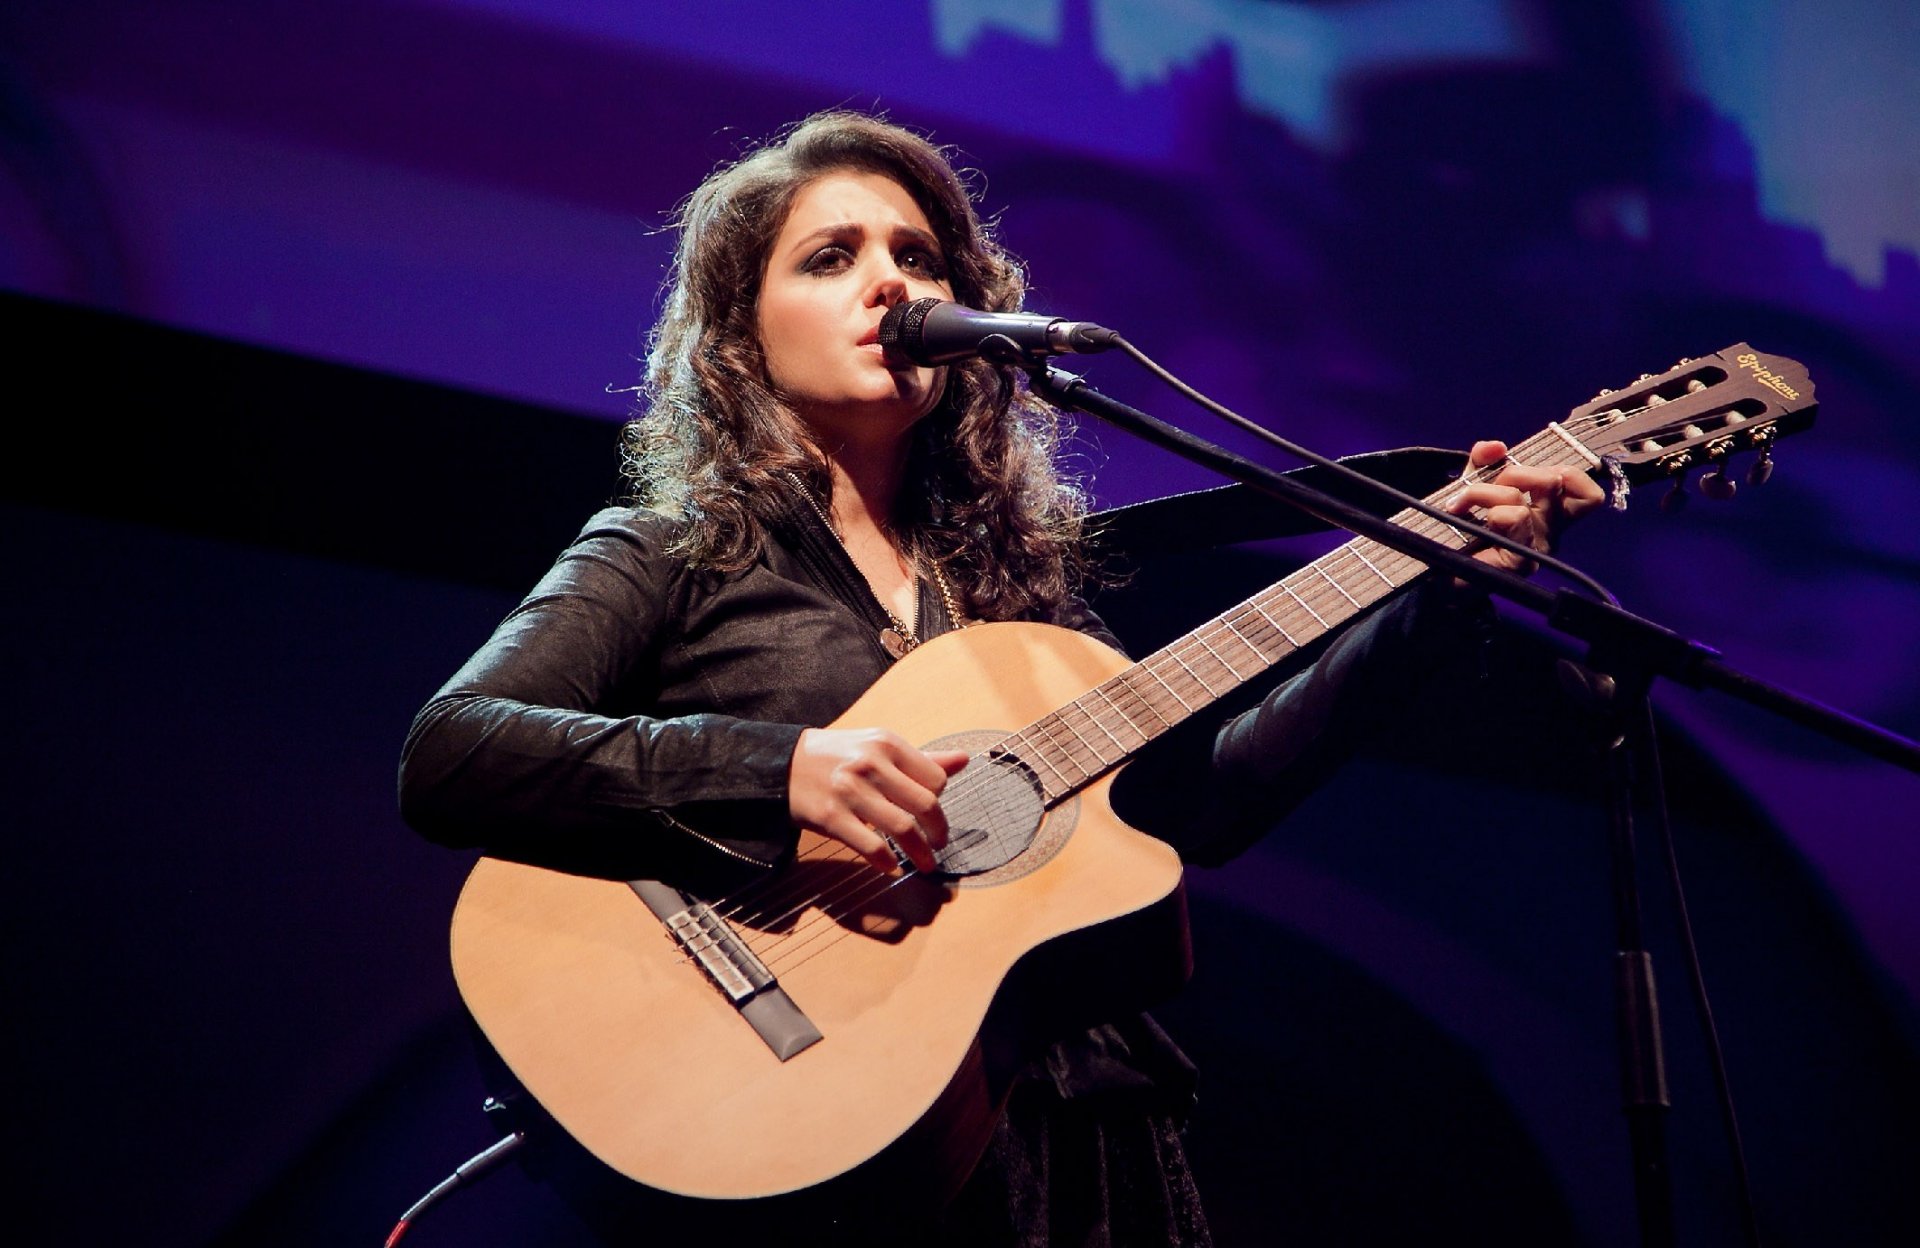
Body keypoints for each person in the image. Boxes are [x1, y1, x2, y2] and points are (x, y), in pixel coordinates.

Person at [399, 110, 1602, 1245]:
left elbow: (1201, 805)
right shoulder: (669, 550)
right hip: (816, 1128)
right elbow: (455, 751)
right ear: (738, 338)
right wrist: (782, 768)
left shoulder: (1013, 601)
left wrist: (1441, 594)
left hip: (1075, 1136)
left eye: (919, 255)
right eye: (831, 257)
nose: (894, 284)